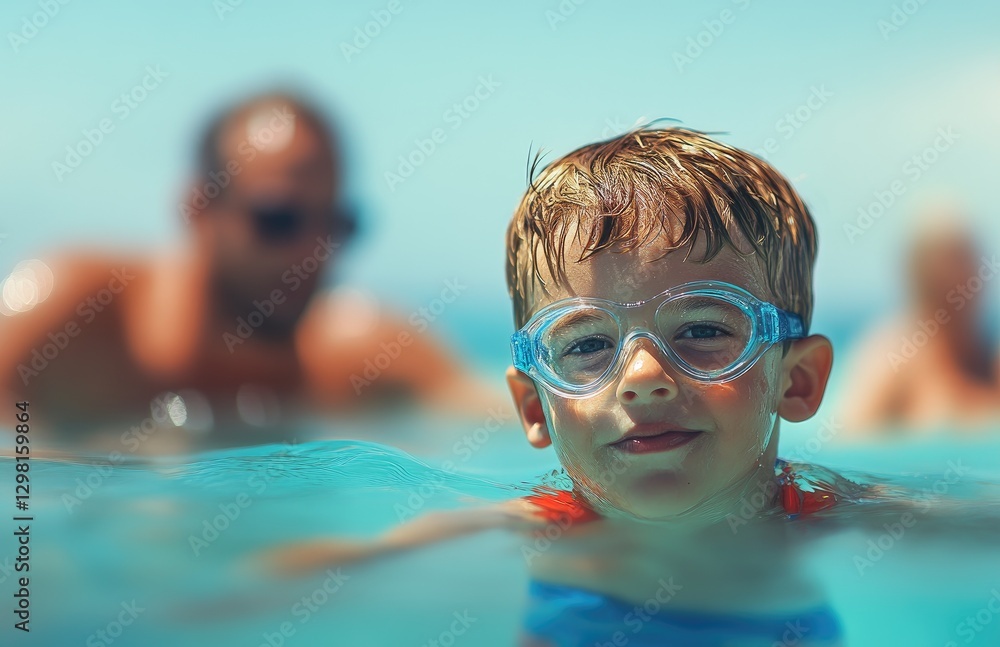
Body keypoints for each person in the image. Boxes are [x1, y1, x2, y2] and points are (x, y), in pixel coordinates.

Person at [258, 127, 860, 645]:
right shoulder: (540, 526)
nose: (643, 378)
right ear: (534, 408)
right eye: (587, 345)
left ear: (798, 381)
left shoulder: (839, 518)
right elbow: (332, 573)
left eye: (702, 330)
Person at [0, 91, 500, 449]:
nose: (312, 252)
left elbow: (519, 414)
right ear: (198, 210)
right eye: (277, 220)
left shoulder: (360, 353)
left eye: (334, 225)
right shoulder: (73, 313)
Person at [838, 212, 999, 434]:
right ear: (921, 277)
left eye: (967, 263)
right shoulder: (892, 359)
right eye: (950, 266)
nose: (960, 278)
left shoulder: (989, 359)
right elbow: (851, 436)